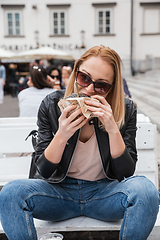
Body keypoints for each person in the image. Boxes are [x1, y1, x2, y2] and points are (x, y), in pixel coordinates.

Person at [0, 45, 159, 240]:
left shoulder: (125, 110)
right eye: (84, 78)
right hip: (58, 194)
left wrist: (111, 127)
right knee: (10, 193)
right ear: (75, 74)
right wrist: (62, 134)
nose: (89, 89)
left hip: (104, 195)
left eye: (101, 85)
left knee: (146, 191)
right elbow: (44, 171)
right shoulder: (51, 104)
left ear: (111, 88)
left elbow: (125, 172)